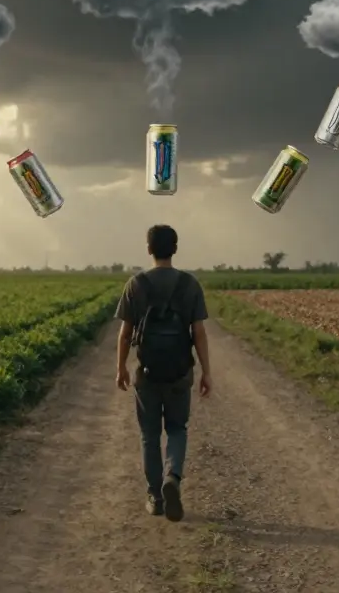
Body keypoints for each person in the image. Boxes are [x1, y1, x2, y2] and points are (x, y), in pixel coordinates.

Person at [115, 224, 211, 522]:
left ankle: (155, 497)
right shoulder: (190, 284)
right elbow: (199, 332)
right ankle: (173, 476)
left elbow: (125, 333)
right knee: (178, 429)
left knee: (149, 435)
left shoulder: (136, 284)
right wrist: (207, 372)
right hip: (180, 372)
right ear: (175, 249)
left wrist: (121, 367)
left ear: (149, 249)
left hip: (146, 373)